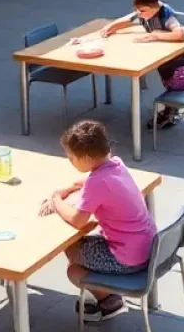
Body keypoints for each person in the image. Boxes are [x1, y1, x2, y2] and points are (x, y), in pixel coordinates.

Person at [40, 119, 157, 323]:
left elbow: (78, 221)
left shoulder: (98, 181)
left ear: (84, 158)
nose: (70, 161)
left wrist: (56, 199)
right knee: (84, 244)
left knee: (73, 263)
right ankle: (103, 293)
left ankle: (109, 301)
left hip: (128, 258)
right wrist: (69, 189)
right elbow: (85, 184)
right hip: (148, 248)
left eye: (71, 157)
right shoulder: (116, 165)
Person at [102, 0, 184, 129]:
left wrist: (155, 35)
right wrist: (110, 27)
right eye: (138, 10)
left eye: (142, 11)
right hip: (166, 62)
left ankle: (168, 111)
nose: (139, 14)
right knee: (151, 73)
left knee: (156, 77)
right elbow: (129, 19)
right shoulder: (144, 13)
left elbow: (180, 34)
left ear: (154, 6)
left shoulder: (166, 15)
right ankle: (165, 108)